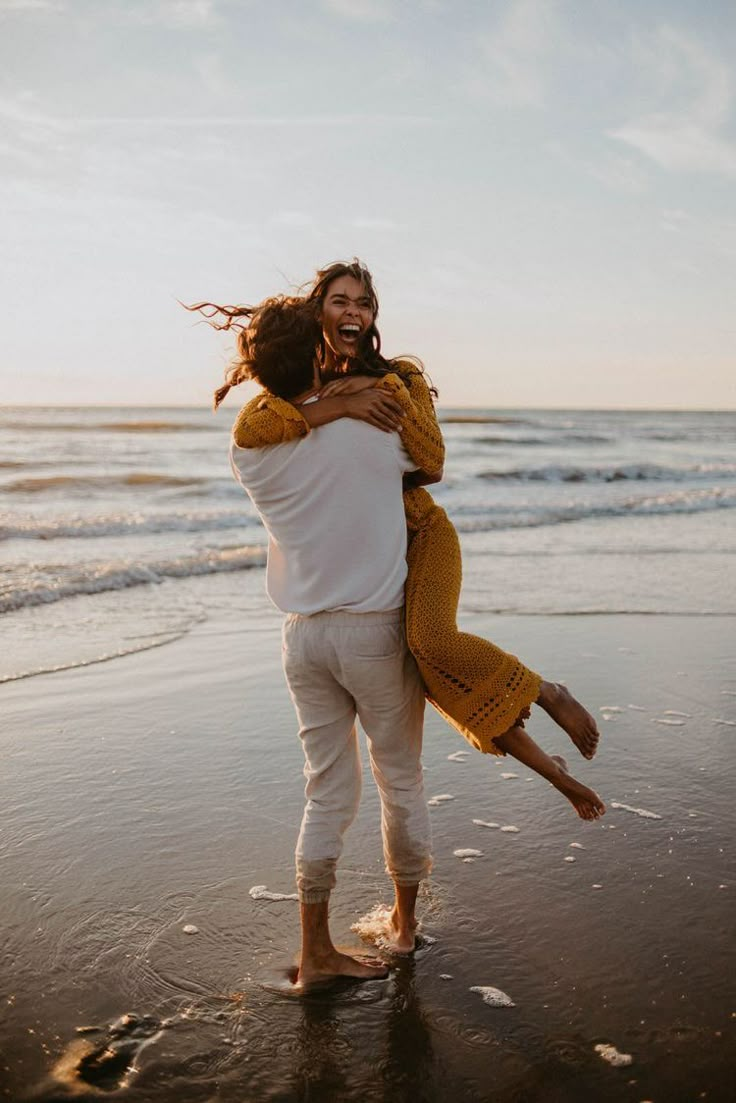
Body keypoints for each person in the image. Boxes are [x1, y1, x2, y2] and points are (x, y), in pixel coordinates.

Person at [190, 260, 605, 825]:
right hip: (372, 560)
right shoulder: (302, 392)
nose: (353, 312)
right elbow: (252, 430)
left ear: (373, 315)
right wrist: (336, 403)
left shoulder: (400, 377)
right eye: (340, 301)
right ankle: (556, 775)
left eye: (362, 303)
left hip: (423, 537)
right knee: (440, 684)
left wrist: (371, 388)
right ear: (320, 314)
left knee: (434, 644)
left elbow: (431, 462)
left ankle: (548, 691)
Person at [209, 295, 433, 988]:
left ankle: (315, 952)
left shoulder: (251, 449)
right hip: (373, 628)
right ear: (316, 352)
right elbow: (428, 459)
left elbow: (281, 420)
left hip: (302, 639)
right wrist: (371, 387)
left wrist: (329, 399)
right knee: (400, 780)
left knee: (326, 793)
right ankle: (402, 927)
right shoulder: (377, 429)